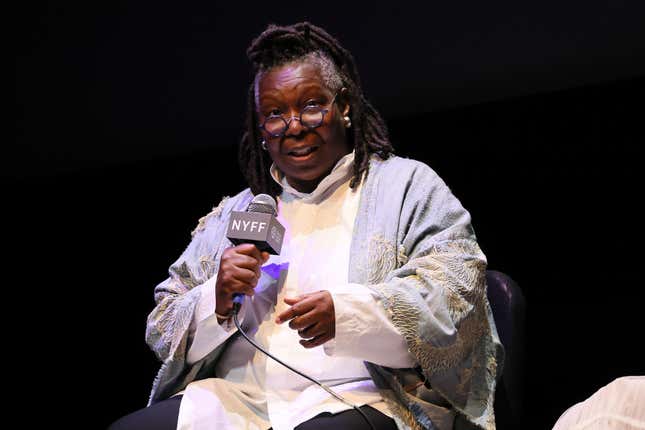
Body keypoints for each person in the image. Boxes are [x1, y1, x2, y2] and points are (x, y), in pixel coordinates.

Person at [109, 22, 503, 430]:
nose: (294, 127)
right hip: (239, 402)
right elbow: (163, 322)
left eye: (311, 106)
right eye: (275, 115)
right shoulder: (238, 211)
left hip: (364, 396)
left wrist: (346, 314)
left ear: (344, 107)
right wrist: (217, 297)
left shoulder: (406, 187)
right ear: (261, 131)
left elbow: (456, 288)